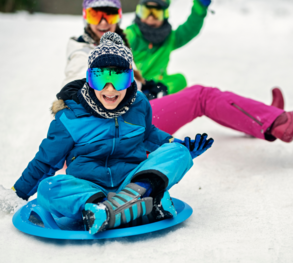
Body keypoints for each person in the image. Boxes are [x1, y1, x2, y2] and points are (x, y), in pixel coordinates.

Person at [8, 32, 214, 235]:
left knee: (179, 152)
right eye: (101, 79)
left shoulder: (139, 103)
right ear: (89, 79)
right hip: (88, 189)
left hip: (132, 181)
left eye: (119, 79)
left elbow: (148, 133)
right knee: (48, 188)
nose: (110, 89)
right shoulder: (70, 116)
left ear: (130, 79)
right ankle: (133, 207)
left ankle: (113, 211)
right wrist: (18, 193)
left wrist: (175, 144)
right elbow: (45, 161)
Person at [63, 0, 293, 143]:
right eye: (96, 15)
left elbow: (187, 31)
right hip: (117, 133)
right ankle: (273, 121)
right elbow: (77, 81)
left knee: (186, 86)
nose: (104, 22)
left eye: (110, 14)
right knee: (200, 96)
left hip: (129, 122)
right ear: (86, 17)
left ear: (119, 16)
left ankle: (268, 119)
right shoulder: (83, 50)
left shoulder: (120, 42)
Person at [125, 0, 211, 94]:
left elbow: (189, 29)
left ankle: (157, 97)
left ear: (165, 14)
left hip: (157, 86)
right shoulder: (131, 35)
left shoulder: (169, 39)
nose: (150, 17)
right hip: (132, 85)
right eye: (146, 12)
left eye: (156, 13)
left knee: (179, 80)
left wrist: (200, 7)